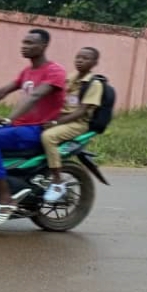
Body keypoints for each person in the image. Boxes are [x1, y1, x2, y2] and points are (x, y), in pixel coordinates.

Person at [0, 28, 66, 226]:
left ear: (43, 46)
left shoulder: (54, 71)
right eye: (24, 42)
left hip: (36, 129)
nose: (24, 46)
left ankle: (5, 197)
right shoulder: (27, 72)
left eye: (30, 43)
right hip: (19, 127)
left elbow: (35, 96)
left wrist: (9, 119)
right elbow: (2, 91)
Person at [40, 47, 104, 203]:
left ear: (95, 63)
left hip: (77, 123)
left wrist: (55, 122)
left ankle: (57, 181)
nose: (80, 60)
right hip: (61, 118)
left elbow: (81, 111)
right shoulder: (70, 78)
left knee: (48, 137)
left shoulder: (94, 84)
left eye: (86, 58)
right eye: (78, 57)